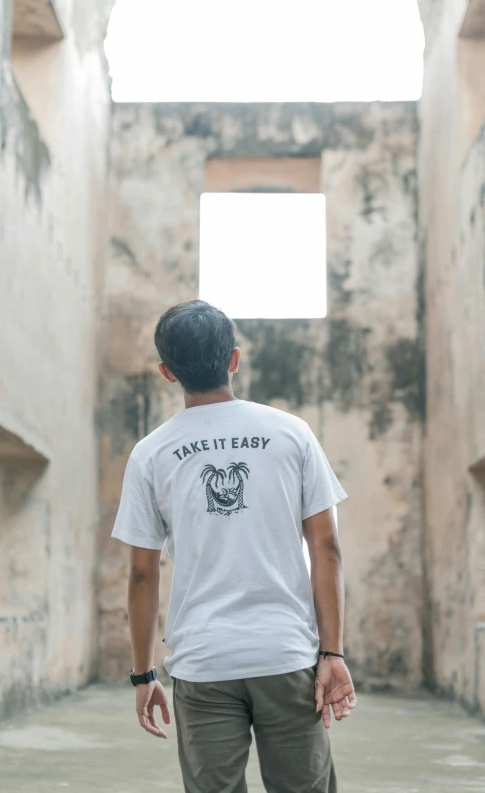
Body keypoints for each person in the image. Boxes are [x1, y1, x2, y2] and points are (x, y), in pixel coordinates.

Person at [111, 300, 356, 793]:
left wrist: (143, 675)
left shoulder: (150, 453)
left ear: (167, 372)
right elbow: (326, 548)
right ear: (234, 360)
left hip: (204, 664)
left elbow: (143, 573)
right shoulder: (292, 434)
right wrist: (332, 652)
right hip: (286, 657)